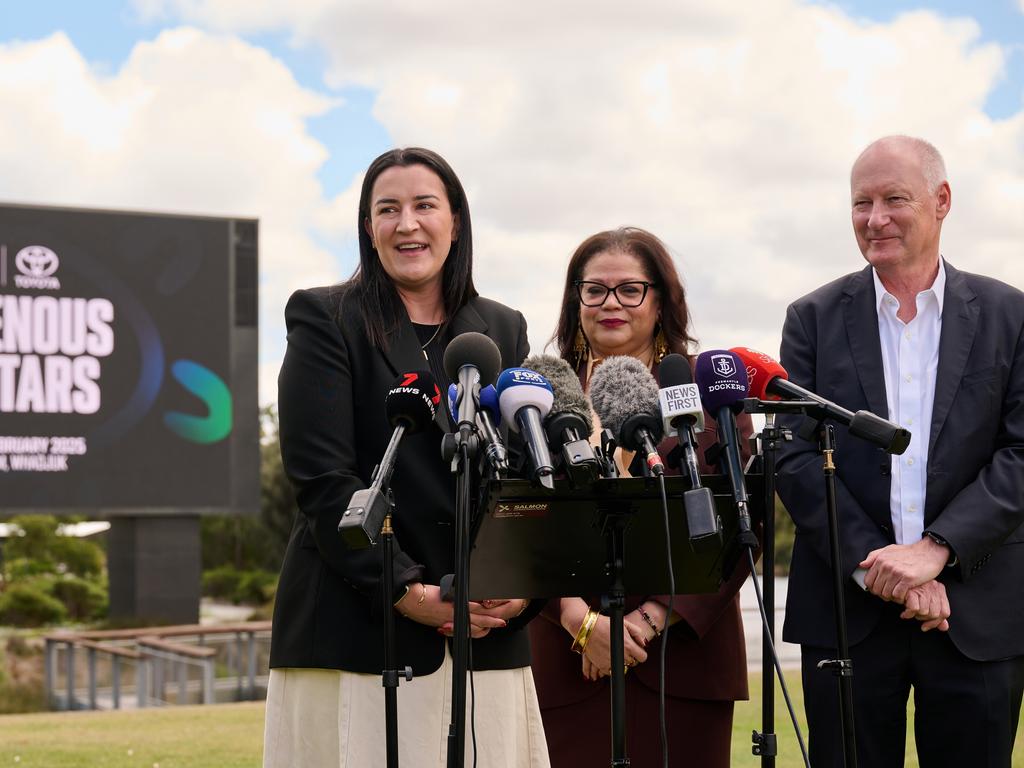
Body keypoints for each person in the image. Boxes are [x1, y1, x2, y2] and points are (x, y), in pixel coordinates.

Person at [263, 147, 550, 768]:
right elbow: (324, 482)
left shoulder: (503, 328)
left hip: (488, 639)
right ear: (369, 228)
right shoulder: (324, 316)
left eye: (424, 205)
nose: (407, 224)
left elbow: (526, 476)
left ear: (456, 221)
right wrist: (409, 592)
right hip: (361, 633)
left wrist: (517, 588)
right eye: (387, 209)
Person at [775, 135, 1024, 767]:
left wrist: (936, 551)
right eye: (861, 203)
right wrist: (883, 569)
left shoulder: (1009, 314)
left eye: (894, 199)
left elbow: (1020, 452)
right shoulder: (811, 318)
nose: (874, 218)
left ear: (942, 202)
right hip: (847, 611)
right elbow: (796, 460)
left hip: (977, 613)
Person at [529, 227, 754, 767]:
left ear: (660, 301)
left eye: (630, 289)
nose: (611, 303)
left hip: (683, 666)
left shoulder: (708, 400)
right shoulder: (533, 401)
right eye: (594, 289)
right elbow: (519, 526)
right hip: (563, 667)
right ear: (574, 300)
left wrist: (647, 620)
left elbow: (743, 530)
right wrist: (578, 620)